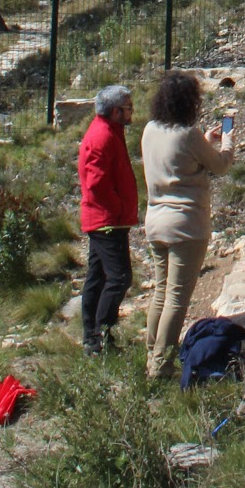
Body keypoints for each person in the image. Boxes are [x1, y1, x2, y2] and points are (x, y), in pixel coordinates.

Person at [140, 72, 234, 379]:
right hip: (186, 225)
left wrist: (204, 142)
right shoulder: (187, 133)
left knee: (160, 292)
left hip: (155, 222)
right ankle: (161, 366)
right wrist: (228, 142)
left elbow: (178, 161)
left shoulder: (151, 129)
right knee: (177, 299)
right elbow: (219, 166)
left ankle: (150, 354)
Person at [76, 83, 138, 356]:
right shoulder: (102, 136)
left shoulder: (110, 131)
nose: (131, 112)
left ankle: (92, 337)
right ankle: (101, 335)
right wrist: (118, 206)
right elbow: (96, 182)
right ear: (115, 112)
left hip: (107, 217)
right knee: (119, 277)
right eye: (128, 108)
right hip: (106, 220)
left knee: (98, 277)